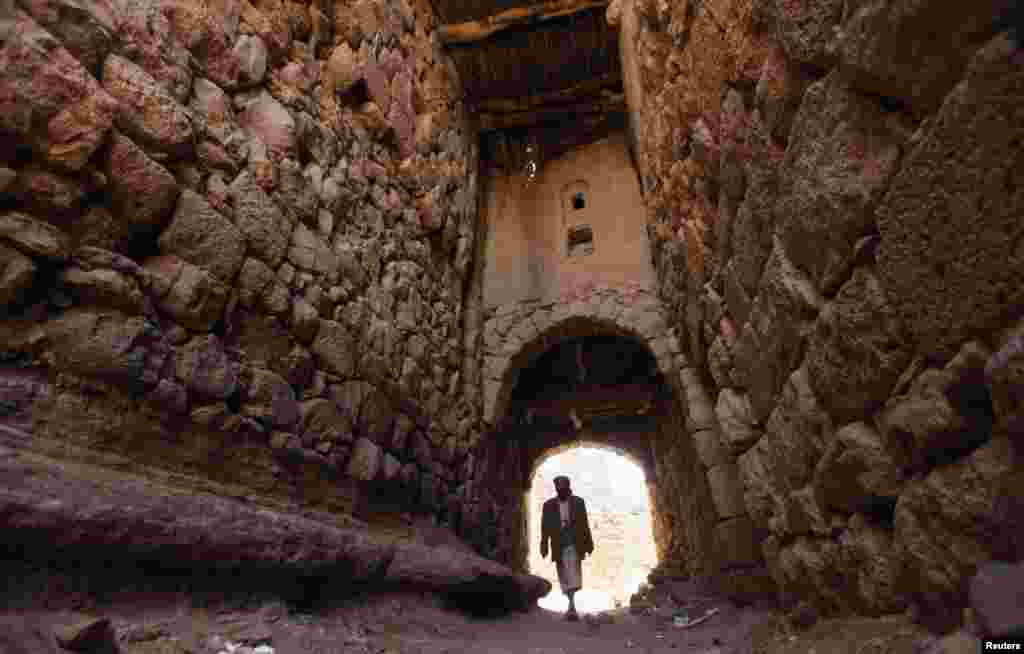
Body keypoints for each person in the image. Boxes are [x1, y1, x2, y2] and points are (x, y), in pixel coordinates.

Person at [540, 475, 595, 621]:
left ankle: (572, 606)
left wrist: (588, 543)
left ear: (568, 488)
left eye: (564, 488)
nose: (561, 491)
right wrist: (544, 543)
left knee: (573, 573)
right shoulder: (549, 505)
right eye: (559, 489)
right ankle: (571, 604)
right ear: (556, 489)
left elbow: (584, 523)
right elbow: (545, 527)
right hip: (559, 545)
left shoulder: (578, 503)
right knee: (563, 574)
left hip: (574, 543)